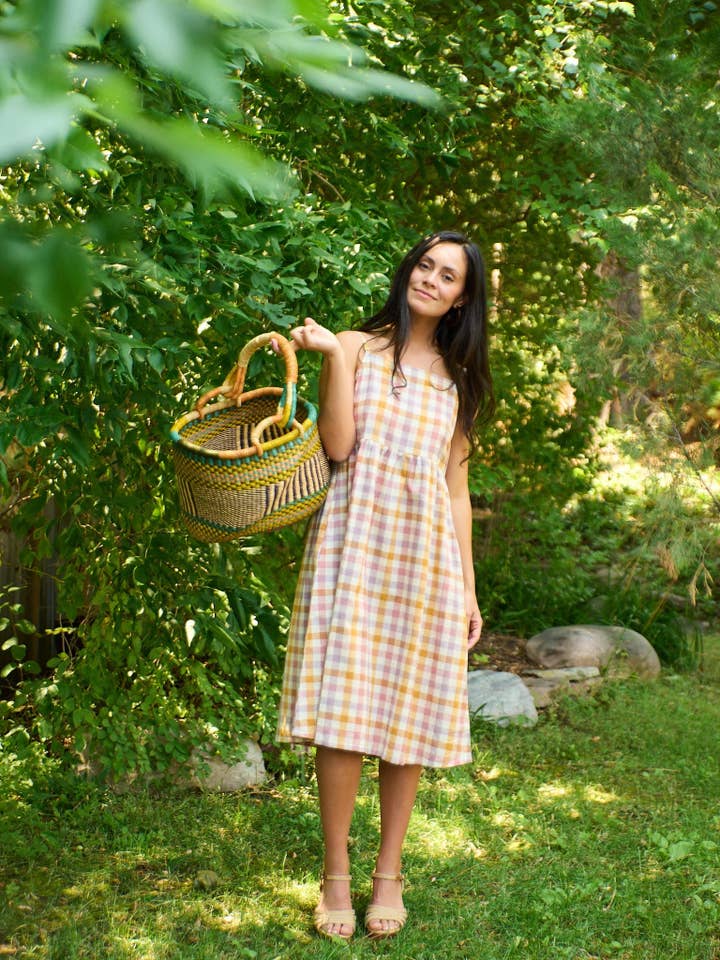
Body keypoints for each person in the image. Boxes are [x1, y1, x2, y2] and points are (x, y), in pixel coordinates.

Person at [276, 230, 494, 940]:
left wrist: (467, 589)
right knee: (343, 714)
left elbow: (455, 488)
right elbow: (338, 447)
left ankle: (389, 874)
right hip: (355, 543)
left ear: (463, 296)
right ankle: (335, 874)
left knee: (408, 717)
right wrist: (334, 358)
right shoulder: (356, 347)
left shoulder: (459, 380)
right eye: (425, 265)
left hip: (426, 557)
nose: (430, 279)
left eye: (448, 275)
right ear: (409, 272)